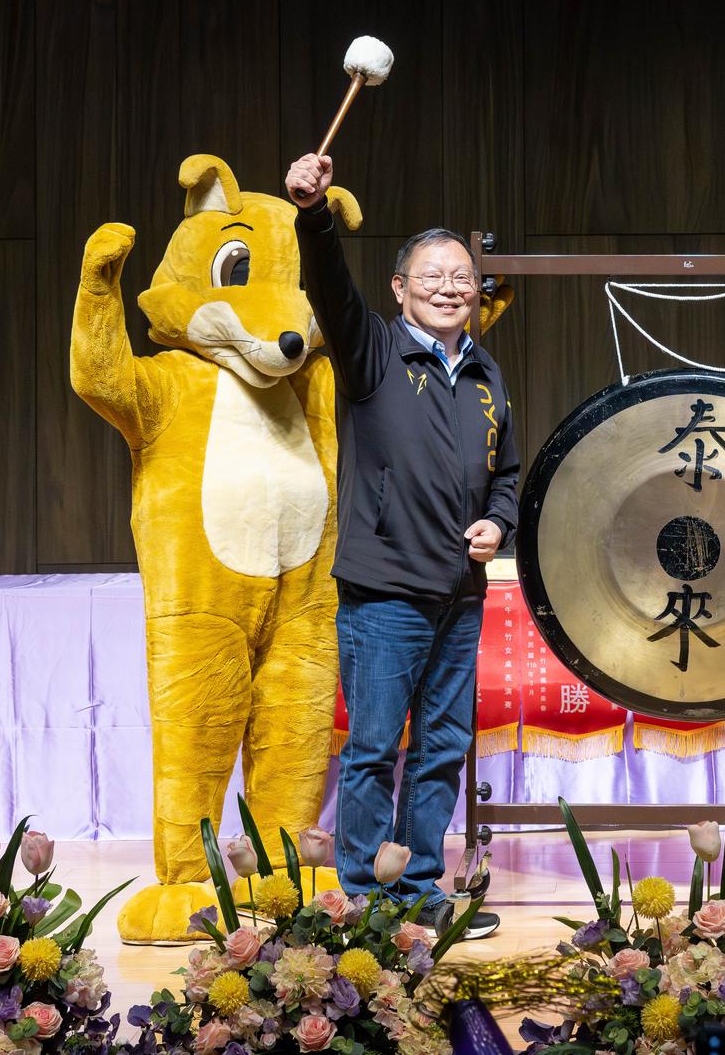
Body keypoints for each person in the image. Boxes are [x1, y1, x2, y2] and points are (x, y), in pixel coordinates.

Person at [286, 150, 517, 938]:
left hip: (460, 597)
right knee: (375, 750)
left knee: (443, 749)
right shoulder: (374, 352)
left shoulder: (486, 373)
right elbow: (329, 289)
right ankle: (360, 897)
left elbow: (507, 474)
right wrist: (314, 216)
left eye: (463, 277)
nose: (452, 287)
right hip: (385, 594)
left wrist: (499, 522)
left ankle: (419, 889)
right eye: (433, 275)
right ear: (400, 289)